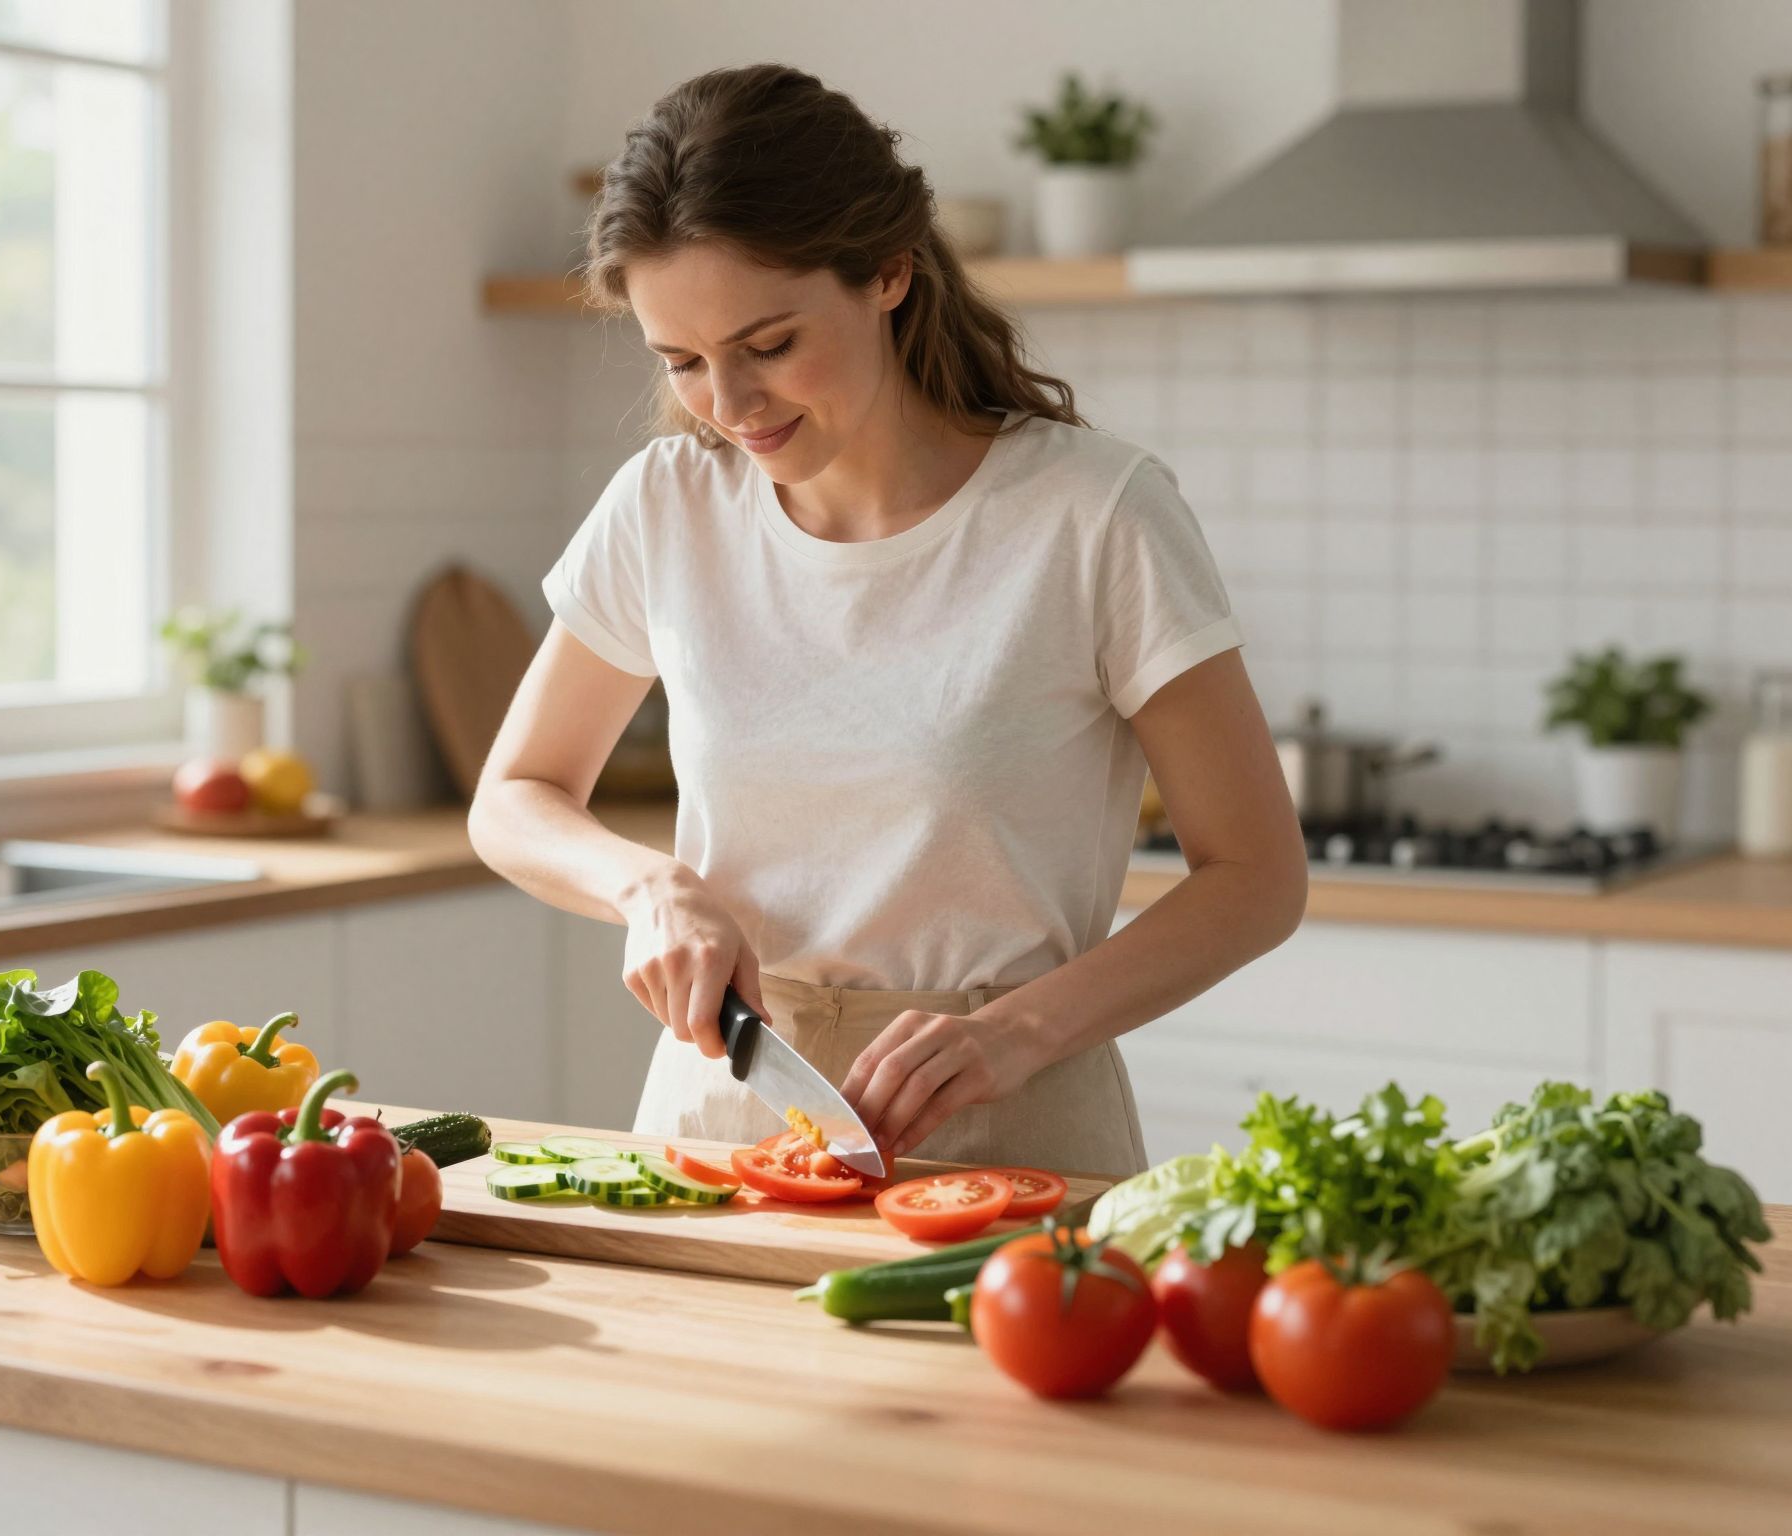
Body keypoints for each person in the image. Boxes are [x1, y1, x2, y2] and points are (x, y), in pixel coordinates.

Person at [470, 64, 1306, 1178]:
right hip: (718, 1123)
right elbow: (513, 798)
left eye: (767, 345)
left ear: (887, 274)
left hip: (1009, 1135)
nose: (728, 404)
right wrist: (649, 886)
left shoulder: (1090, 514)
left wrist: (1021, 1031)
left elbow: (1255, 875)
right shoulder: (666, 507)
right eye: (680, 361)